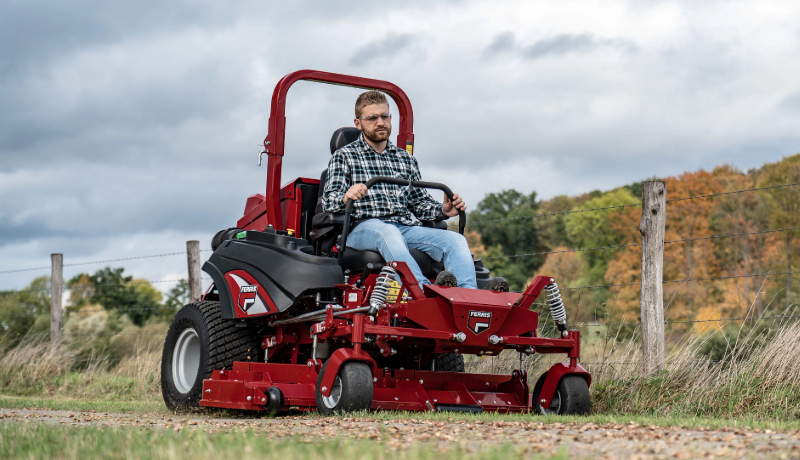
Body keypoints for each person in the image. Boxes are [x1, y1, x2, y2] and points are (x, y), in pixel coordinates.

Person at [321, 91, 508, 292]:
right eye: (372, 118)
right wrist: (346, 196)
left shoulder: (405, 159)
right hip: (361, 228)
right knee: (388, 231)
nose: (380, 122)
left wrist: (443, 210)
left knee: (455, 240)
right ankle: (422, 291)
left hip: (404, 227)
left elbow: (419, 203)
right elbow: (328, 201)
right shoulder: (344, 156)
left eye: (384, 116)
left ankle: (466, 296)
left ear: (390, 118)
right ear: (358, 123)